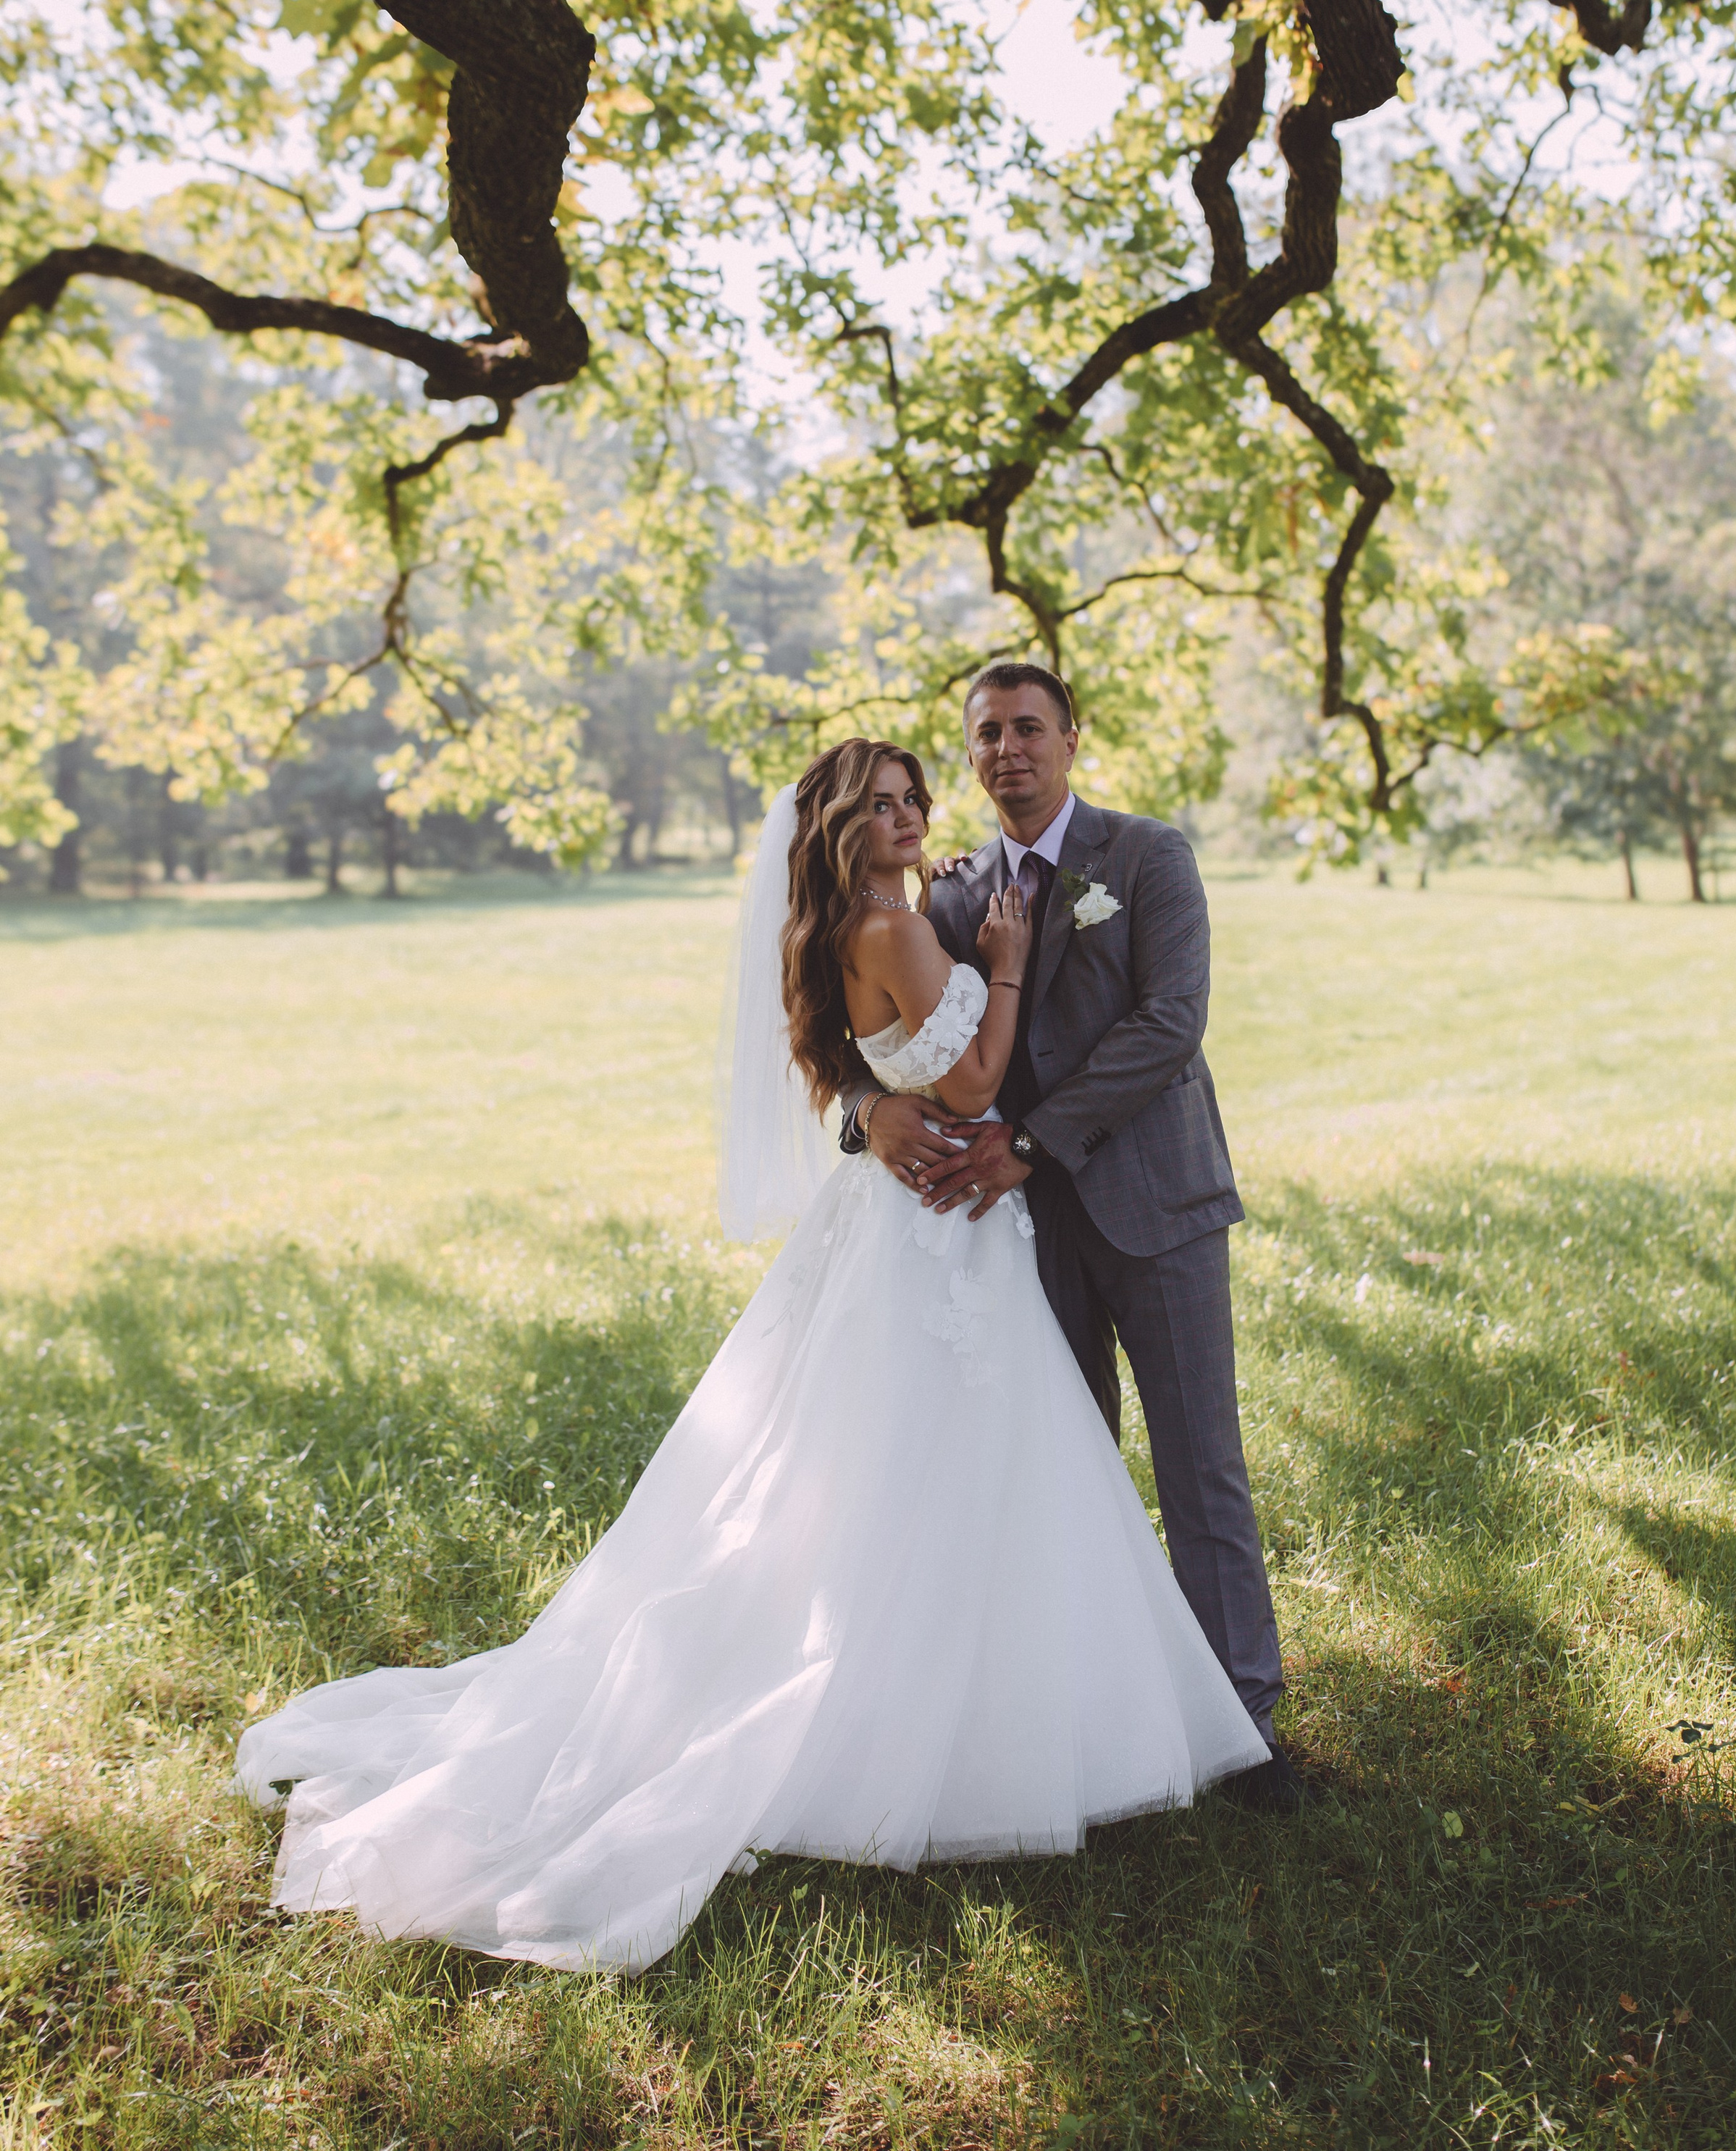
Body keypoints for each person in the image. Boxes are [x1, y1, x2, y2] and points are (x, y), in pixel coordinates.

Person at [234, 738, 1268, 1974]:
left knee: (1064, 1473)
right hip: (946, 1228)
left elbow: (1159, 1021)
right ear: (840, 823)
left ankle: (1196, 1717)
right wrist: (967, 1003)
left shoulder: (1094, 863)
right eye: (882, 802)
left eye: (910, 799)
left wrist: (919, 1077)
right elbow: (940, 1064)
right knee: (933, 1479)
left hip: (1077, 1206)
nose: (918, 807)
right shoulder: (921, 912)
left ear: (1064, 739)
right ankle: (942, 1729)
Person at [839, 663, 1307, 1809]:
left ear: (1071, 738)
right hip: (1023, 1234)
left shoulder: (1148, 857)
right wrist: (863, 1109)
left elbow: (1167, 1025)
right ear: (972, 755)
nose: (1008, 748)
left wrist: (1033, 1143)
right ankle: (1103, 1714)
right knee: (1070, 1470)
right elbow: (879, 1021)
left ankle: (1244, 1724)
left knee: (1202, 1465)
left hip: (1157, 1206)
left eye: (1028, 727)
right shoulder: (949, 893)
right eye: (987, 733)